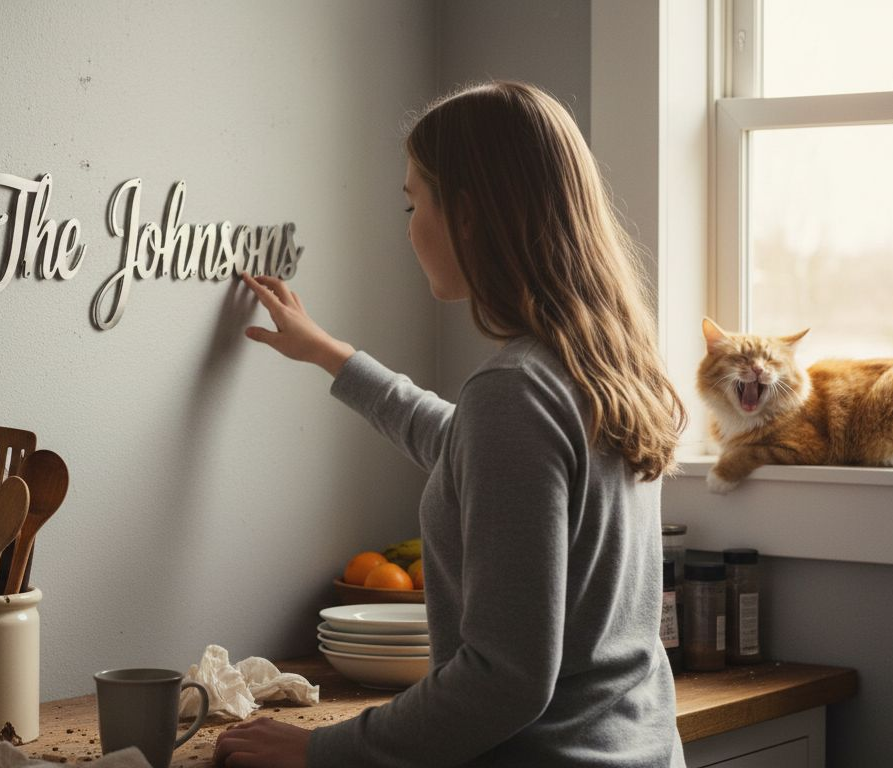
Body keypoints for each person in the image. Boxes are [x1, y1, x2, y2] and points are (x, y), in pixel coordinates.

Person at [212, 81, 688, 768]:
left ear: (466, 215)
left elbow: (503, 680)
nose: (408, 226)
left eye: (414, 202)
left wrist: (323, 750)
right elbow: (464, 445)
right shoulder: (601, 366)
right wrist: (328, 353)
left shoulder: (515, 392)